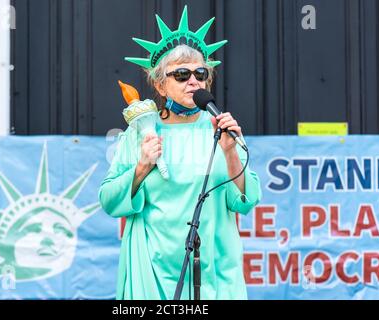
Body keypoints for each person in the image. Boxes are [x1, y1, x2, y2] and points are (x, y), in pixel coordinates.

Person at [99, 6, 261, 300]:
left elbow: (248, 201)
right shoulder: (139, 133)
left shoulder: (221, 130)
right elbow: (109, 201)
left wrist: (230, 153)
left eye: (200, 73)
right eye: (182, 74)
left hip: (213, 272)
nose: (193, 81)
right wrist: (141, 168)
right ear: (160, 84)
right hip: (152, 273)